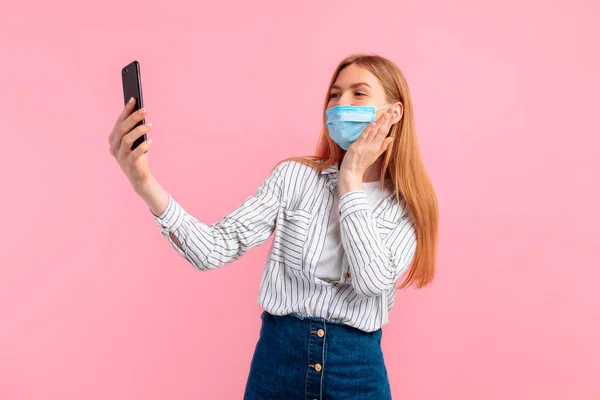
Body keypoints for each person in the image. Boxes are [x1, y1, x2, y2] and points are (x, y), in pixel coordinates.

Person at [109, 53, 439, 399]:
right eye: (335, 94)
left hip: (356, 371)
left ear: (393, 113)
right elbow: (213, 249)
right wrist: (144, 182)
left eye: (359, 94)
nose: (341, 103)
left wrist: (352, 177)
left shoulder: (409, 206)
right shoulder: (293, 177)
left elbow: (372, 282)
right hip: (278, 362)